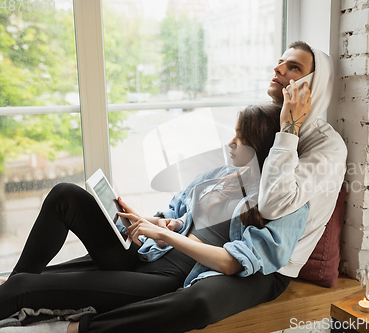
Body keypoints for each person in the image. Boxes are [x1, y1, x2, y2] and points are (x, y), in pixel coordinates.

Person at [60, 41, 347, 333]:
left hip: (272, 262)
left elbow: (272, 204)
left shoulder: (325, 145)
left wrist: (289, 131)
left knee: (199, 301)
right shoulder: (270, 121)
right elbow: (224, 192)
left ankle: (83, 328)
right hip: (231, 244)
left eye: (294, 67)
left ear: (315, 85)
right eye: (280, 61)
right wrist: (162, 221)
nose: (278, 68)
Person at [0, 104, 309, 332]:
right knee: (65, 195)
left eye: (239, 139)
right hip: (149, 253)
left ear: (259, 149)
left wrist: (164, 234)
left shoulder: (282, 202)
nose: (230, 143)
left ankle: (15, 297)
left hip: (167, 278)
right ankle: (11, 290)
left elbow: (232, 262)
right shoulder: (223, 175)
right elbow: (177, 216)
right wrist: (150, 221)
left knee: (24, 288)